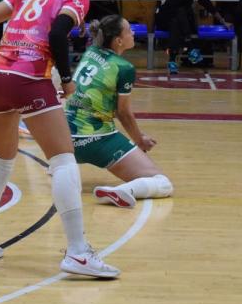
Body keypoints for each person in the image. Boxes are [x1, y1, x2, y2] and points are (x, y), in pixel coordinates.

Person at [0, 0, 119, 279]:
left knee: (0, 161)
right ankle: (77, 252)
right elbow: (59, 32)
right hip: (28, 77)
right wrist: (69, 80)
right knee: (63, 160)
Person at [66, 15, 173, 208]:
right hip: (97, 140)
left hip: (64, 140)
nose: (133, 33)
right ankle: (124, 191)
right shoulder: (124, 68)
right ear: (119, 40)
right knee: (163, 183)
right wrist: (139, 140)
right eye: (129, 30)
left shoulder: (90, 51)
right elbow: (122, 113)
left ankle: (59, 167)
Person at [154, 0, 226, 75]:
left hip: (180, 21)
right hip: (164, 17)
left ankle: (172, 61)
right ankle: (190, 48)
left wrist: (222, 21)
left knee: (178, 19)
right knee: (178, 11)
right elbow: (174, 2)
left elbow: (206, 2)